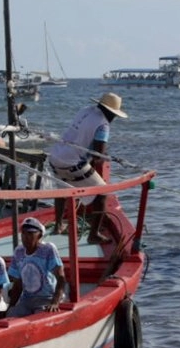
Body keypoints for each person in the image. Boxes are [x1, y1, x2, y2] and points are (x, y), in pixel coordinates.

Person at [47, 92, 127, 242]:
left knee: (62, 189)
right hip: (72, 163)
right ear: (110, 112)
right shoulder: (103, 124)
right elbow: (98, 156)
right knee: (102, 193)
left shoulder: (85, 111)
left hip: (56, 156)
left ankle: (58, 225)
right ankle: (93, 234)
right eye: (114, 115)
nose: (114, 119)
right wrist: (106, 155)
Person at [7, 217, 66, 317]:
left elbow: (61, 277)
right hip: (26, 300)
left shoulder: (48, 249)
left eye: (30, 233)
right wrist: (10, 307)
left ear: (39, 235)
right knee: (10, 315)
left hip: (47, 298)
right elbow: (18, 284)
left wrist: (55, 302)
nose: (26, 237)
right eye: (24, 233)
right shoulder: (18, 251)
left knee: (40, 318)